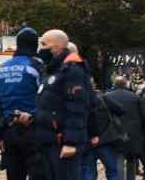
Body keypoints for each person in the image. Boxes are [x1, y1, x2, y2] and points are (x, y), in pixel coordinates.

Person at [34, 29, 91, 180]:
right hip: (48, 140)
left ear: (56, 46)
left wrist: (70, 142)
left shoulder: (72, 70)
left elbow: (76, 107)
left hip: (62, 142)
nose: (41, 48)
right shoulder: (52, 71)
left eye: (44, 44)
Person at [0, 27, 43, 180]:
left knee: (14, 174)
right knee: (39, 174)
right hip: (33, 128)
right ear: (35, 45)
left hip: (9, 129)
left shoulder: (0, 69)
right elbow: (46, 97)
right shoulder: (36, 66)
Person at [105, 76, 145, 180]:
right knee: (131, 161)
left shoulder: (107, 96)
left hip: (115, 133)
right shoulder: (135, 97)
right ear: (126, 85)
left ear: (114, 84)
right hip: (133, 135)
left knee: (118, 160)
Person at [81, 79, 126, 180]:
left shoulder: (79, 100)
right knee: (112, 171)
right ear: (94, 85)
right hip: (105, 139)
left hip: (88, 140)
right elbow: (121, 110)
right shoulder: (102, 97)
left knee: (89, 171)